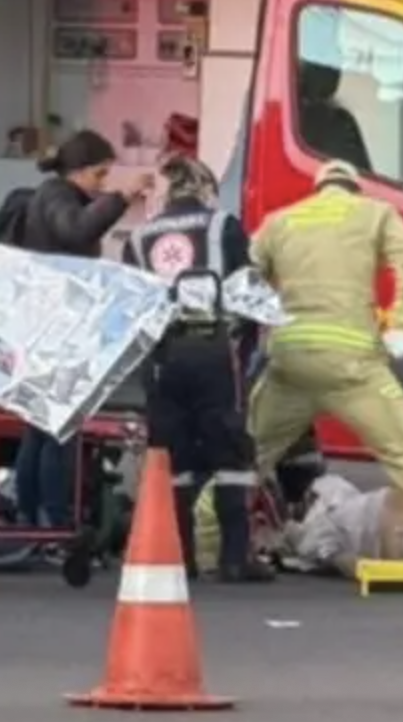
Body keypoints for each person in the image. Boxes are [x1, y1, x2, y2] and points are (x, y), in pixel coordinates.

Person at [245, 159, 403, 589]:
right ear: (354, 189)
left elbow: (245, 279)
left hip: (291, 360)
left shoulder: (280, 222)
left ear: (318, 188)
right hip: (353, 362)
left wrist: (267, 331)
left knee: (246, 456)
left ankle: (204, 541)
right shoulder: (375, 213)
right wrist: (397, 321)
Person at [121, 156, 273, 583]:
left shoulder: (138, 237)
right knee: (229, 450)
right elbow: (248, 294)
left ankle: (179, 556)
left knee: (175, 454)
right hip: (212, 349)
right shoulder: (222, 225)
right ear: (205, 187)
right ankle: (234, 557)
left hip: (164, 355)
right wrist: (246, 351)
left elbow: (132, 305)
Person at [0, 130, 151, 531]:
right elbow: (76, 231)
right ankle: (54, 518)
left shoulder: (55, 197)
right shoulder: (56, 197)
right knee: (57, 427)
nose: (103, 184)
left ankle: (30, 514)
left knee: (41, 427)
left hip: (48, 325)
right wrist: (119, 199)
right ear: (80, 170)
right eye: (100, 175)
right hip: (53, 329)